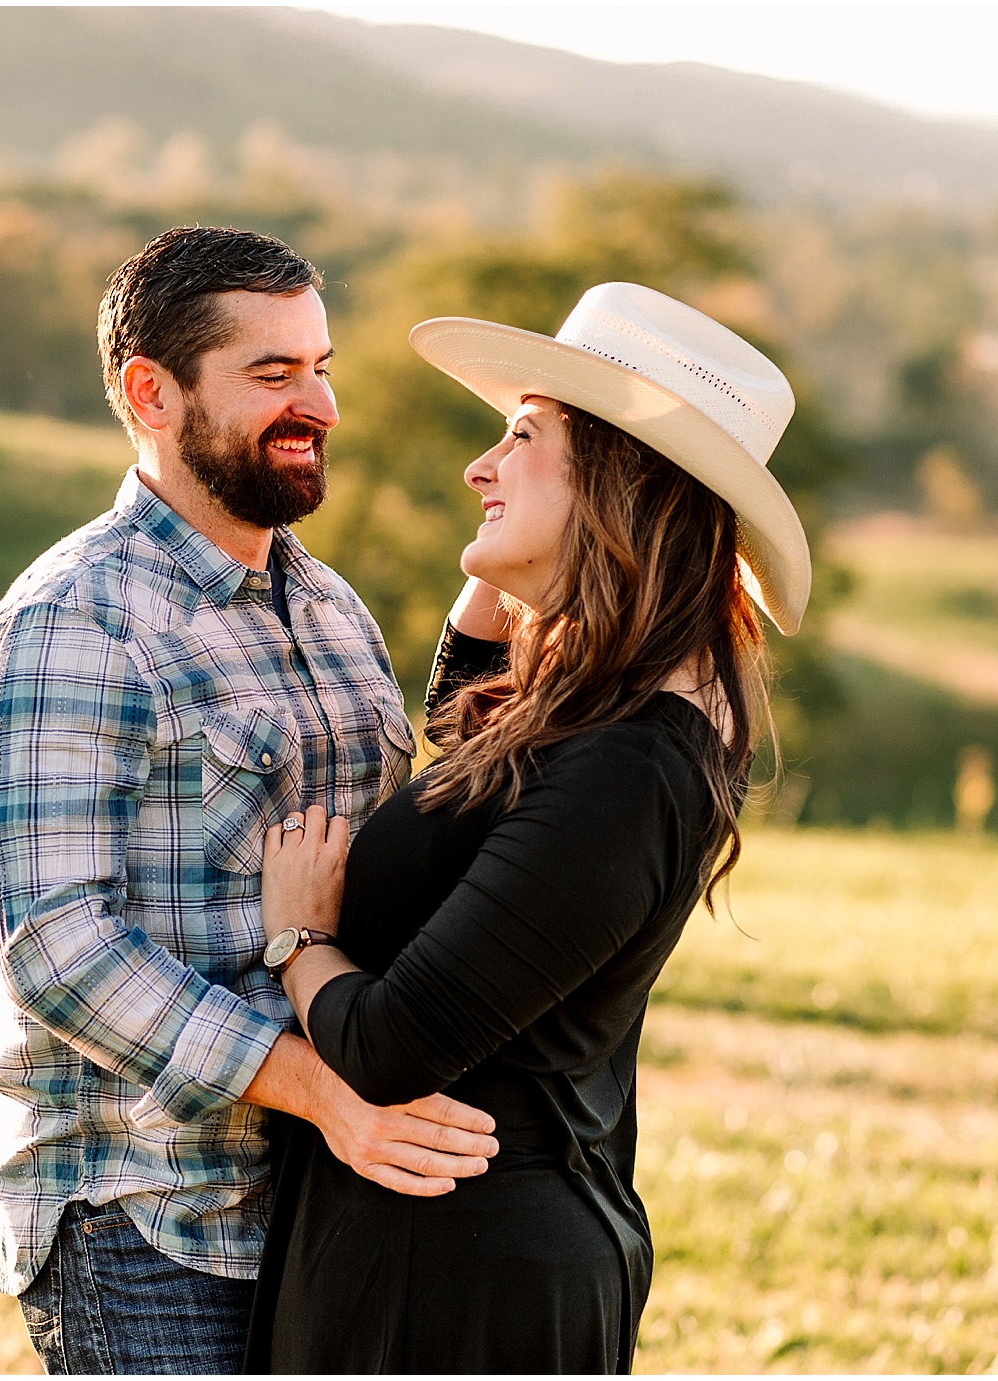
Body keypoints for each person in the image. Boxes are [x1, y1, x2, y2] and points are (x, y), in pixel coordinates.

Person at [0, 227, 500, 1376]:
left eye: (321, 364)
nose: (321, 404)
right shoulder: (71, 624)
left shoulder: (329, 607)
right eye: (273, 374)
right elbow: (59, 951)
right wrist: (323, 1092)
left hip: (320, 1204)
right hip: (148, 1218)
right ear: (152, 393)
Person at [242, 282, 814, 1373]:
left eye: (519, 436)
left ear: (616, 480)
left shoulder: (630, 767)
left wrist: (299, 939)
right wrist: (510, 583)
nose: (479, 467)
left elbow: (390, 1044)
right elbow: (465, 765)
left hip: (459, 1283)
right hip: (430, 1250)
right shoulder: (600, 723)